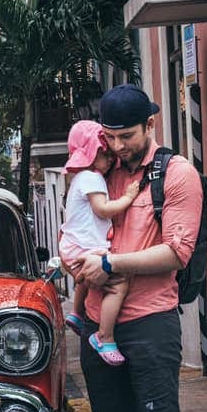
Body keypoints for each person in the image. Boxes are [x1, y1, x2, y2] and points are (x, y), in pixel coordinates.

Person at [65, 84, 202, 412]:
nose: (119, 146)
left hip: (150, 320)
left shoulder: (176, 174)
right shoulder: (99, 175)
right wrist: (80, 262)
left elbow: (176, 252)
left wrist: (110, 261)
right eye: (111, 137)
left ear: (150, 126)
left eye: (126, 136)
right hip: (99, 324)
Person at [59, 120, 140, 366]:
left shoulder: (78, 179)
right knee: (118, 285)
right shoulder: (92, 178)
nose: (110, 158)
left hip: (72, 244)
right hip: (84, 247)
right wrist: (128, 198)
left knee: (86, 277)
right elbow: (103, 210)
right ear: (92, 154)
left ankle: (76, 313)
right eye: (104, 153)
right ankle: (104, 336)